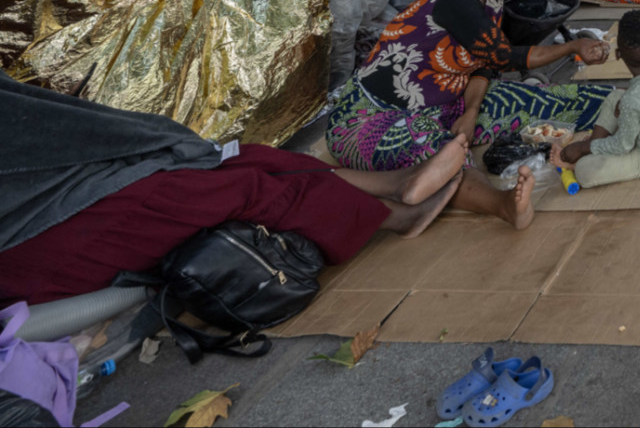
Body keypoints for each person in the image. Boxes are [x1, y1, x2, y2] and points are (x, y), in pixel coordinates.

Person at [0, 76, 466, 305]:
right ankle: (393, 217)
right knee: (234, 188)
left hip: (59, 190)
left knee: (237, 156)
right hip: (26, 239)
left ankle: (395, 184)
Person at [327, 0, 615, 230]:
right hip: (370, 119)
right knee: (439, 152)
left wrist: (471, 111)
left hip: (448, 105)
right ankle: (503, 205)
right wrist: (572, 46)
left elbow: (483, 64)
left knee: (539, 100)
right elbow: (501, 56)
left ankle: (621, 104)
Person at [558, 11, 640, 186]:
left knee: (585, 171)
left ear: (618, 53)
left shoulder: (633, 101)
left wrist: (582, 148)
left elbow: (622, 146)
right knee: (617, 96)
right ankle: (595, 144)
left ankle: (587, 153)